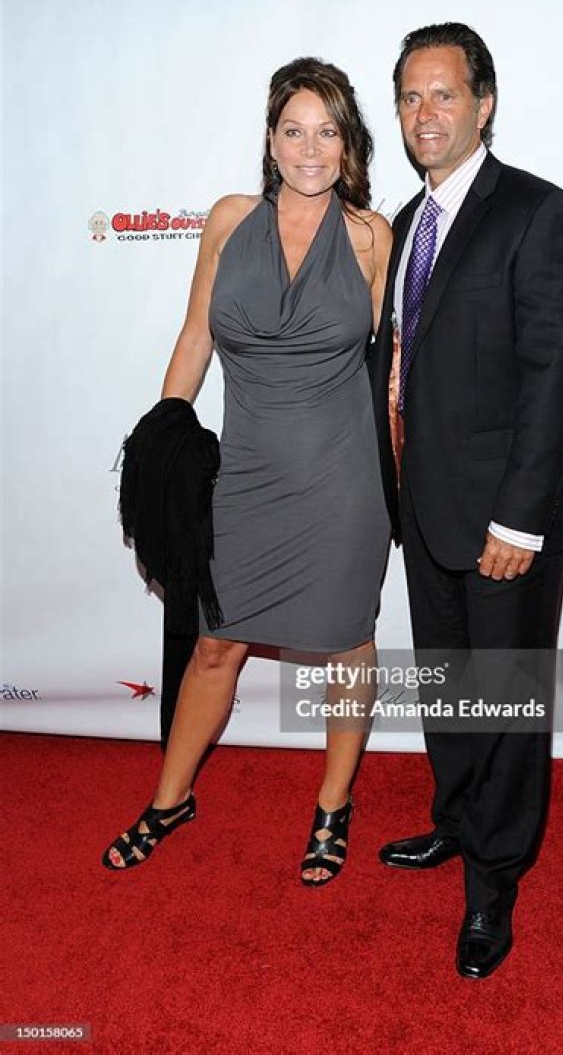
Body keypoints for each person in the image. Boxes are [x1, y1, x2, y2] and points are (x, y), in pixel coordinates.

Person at [102, 57, 392, 886]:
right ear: (270, 140)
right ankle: (170, 799)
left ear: (348, 143)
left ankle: (333, 805)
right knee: (214, 646)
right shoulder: (229, 221)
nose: (310, 149)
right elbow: (198, 334)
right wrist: (164, 438)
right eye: (294, 131)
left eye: (327, 132)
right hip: (246, 476)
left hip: (341, 481)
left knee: (347, 645)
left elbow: (389, 364)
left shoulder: (371, 237)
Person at [369, 23, 563, 977]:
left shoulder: (540, 212)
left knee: (505, 706)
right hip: (425, 511)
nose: (425, 113)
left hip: (505, 522)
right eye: (410, 97)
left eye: (444, 94)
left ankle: (494, 885)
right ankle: (458, 822)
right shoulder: (407, 223)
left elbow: (556, 376)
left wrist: (520, 520)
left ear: (484, 103)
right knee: (452, 692)